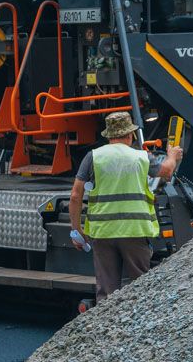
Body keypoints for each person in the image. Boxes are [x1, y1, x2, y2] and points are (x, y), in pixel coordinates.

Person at [69, 112, 182, 304]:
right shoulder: (141, 157)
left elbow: (75, 195)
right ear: (130, 135)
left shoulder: (93, 157)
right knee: (141, 286)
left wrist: (76, 230)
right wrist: (172, 156)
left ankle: (106, 329)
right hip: (134, 231)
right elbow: (167, 171)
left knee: (106, 291)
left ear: (109, 136)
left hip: (103, 232)